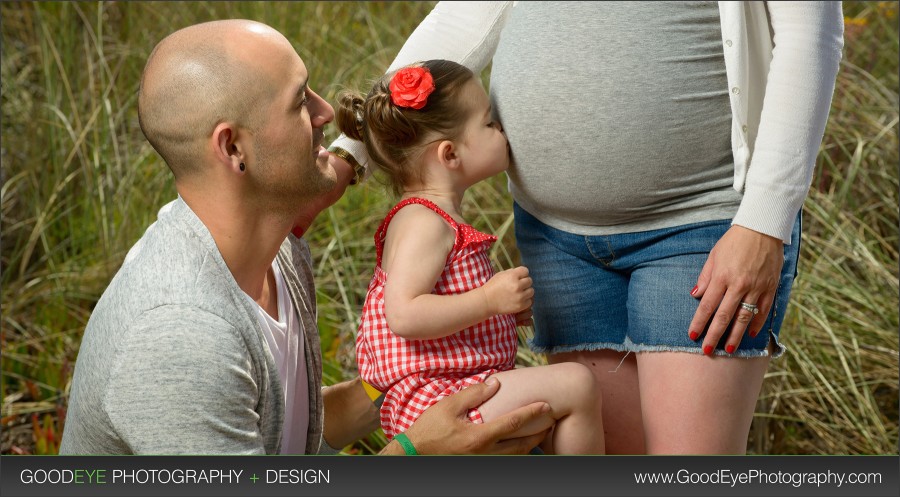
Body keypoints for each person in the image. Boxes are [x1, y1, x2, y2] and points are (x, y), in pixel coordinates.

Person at [326, 2, 844, 454]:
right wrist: (351, 155)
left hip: (701, 223)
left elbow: (808, 31)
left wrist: (764, 223)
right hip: (557, 240)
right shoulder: (425, 223)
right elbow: (469, 12)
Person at [58, 19, 551, 455]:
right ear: (233, 148)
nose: (325, 112)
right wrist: (413, 456)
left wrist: (421, 387)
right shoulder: (180, 337)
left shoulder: (275, 248)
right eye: (300, 101)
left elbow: (285, 434)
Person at [336, 60, 604, 454]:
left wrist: (497, 313)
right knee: (576, 386)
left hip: (452, 386)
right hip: (433, 401)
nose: (501, 130)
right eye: (489, 122)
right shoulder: (423, 221)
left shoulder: (432, 218)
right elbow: (405, 314)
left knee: (549, 416)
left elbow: (441, 314)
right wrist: (487, 300)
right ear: (450, 154)